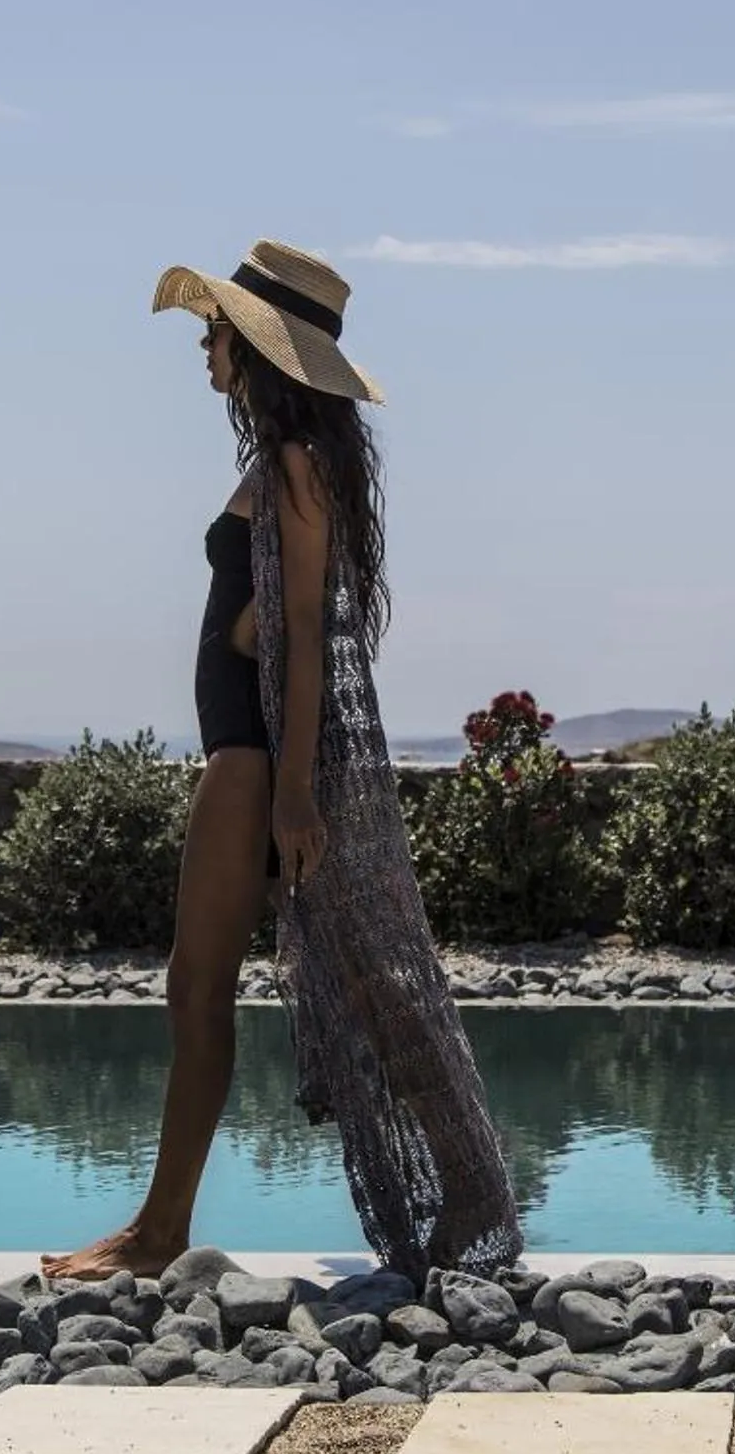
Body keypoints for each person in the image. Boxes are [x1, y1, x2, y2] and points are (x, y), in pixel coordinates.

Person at [40, 240, 523, 1285]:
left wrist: (294, 791)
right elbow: (277, 616)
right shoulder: (286, 463)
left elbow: (303, 628)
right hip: (254, 755)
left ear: (260, 350)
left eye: (217, 331)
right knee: (341, 988)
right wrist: (242, 630)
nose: (204, 347)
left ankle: (159, 1234)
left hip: (256, 762)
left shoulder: (296, 465)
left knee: (206, 989)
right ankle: (460, 1194)